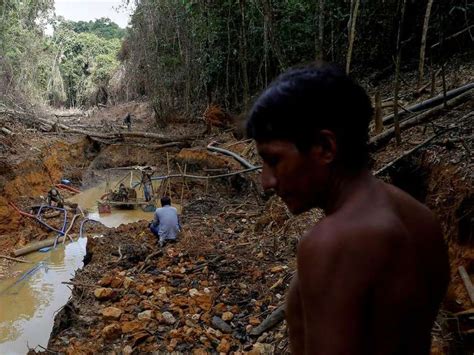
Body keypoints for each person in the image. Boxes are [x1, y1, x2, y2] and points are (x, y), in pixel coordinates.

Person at [246, 63, 450, 354]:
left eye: (274, 160)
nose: (266, 181)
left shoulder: (333, 243)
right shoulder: (420, 218)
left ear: (325, 147)